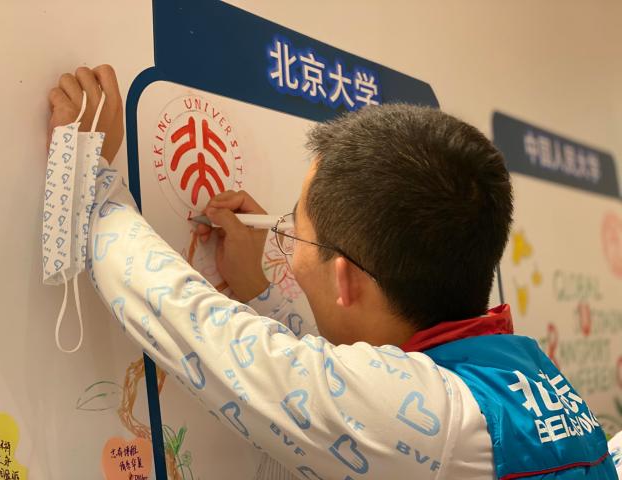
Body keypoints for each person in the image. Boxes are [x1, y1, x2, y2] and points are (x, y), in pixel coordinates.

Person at [46, 65, 618, 479]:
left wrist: (90, 172)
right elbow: (343, 382)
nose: (286, 246)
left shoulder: (435, 421)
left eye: (293, 230)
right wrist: (261, 291)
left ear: (346, 279)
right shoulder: (522, 374)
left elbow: (198, 329)